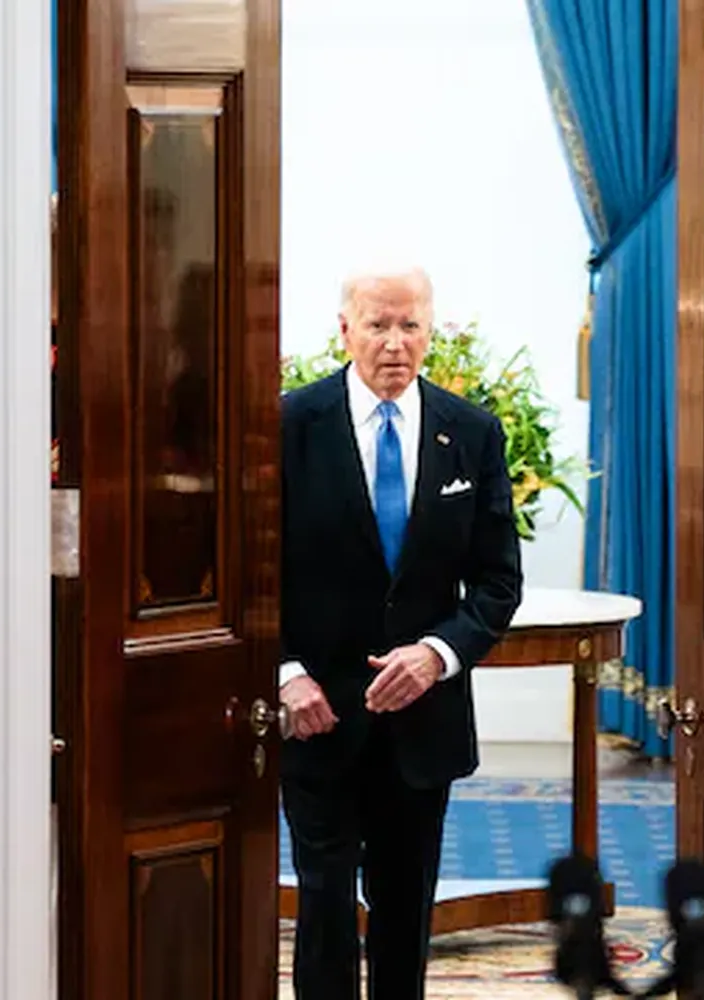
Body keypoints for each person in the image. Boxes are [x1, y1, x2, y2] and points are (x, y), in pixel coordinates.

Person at [279, 265, 523, 999]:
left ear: (430, 331)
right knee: (323, 901)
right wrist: (286, 673)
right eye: (377, 325)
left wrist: (437, 654)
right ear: (344, 329)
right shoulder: (289, 426)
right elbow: (250, 577)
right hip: (318, 714)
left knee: (404, 905)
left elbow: (496, 581)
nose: (394, 343)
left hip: (422, 717)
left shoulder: (471, 434)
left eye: (409, 325)